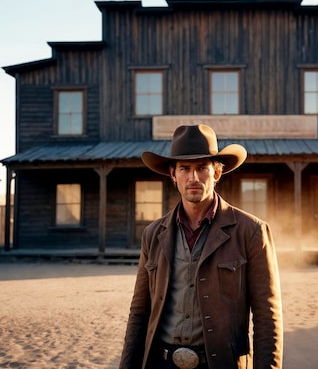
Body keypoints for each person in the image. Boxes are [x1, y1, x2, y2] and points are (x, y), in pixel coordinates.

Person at [120, 124, 283, 369]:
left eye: (201, 168)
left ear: (216, 173)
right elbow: (139, 312)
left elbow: (267, 317)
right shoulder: (153, 235)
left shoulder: (251, 231)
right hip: (161, 363)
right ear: (173, 175)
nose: (193, 178)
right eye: (185, 168)